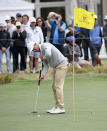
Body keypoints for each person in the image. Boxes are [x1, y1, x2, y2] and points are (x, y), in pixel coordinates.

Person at [32, 42, 68, 114]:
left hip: (62, 65)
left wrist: (43, 57)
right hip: (56, 67)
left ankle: (61, 107)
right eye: (33, 50)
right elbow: (46, 66)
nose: (34, 50)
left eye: (34, 48)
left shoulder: (45, 45)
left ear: (36, 44)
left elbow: (48, 54)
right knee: (53, 86)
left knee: (58, 86)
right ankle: (57, 106)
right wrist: (43, 75)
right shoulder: (40, 53)